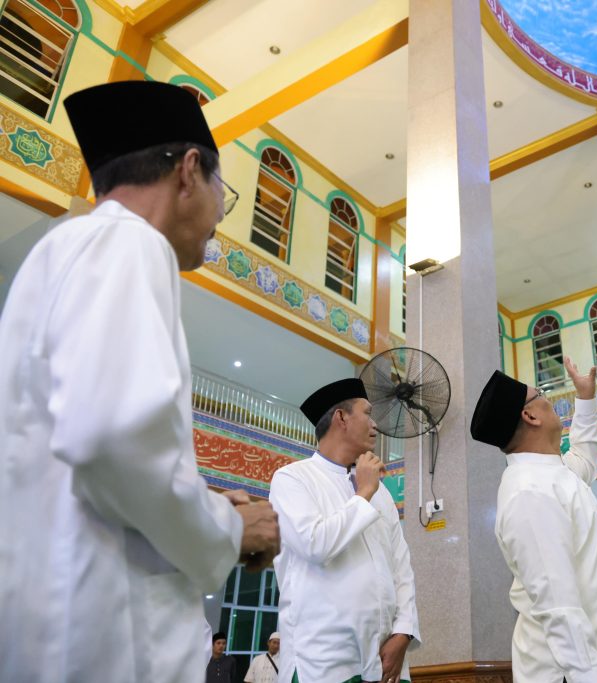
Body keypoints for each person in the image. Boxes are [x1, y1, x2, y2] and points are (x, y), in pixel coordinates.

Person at [0, 80, 280, 683]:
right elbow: (110, 438)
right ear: (188, 171)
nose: (218, 218)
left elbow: (90, 453)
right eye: (223, 194)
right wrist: (228, 528)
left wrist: (203, 503)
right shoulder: (130, 242)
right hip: (106, 639)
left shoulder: (65, 248)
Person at [471, 358, 597, 683]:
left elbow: (585, 455)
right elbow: (559, 608)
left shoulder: (553, 474)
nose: (550, 400)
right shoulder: (529, 492)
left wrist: (585, 398)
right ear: (530, 416)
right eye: (541, 394)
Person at [270, 378, 419, 683]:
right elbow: (315, 544)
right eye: (368, 413)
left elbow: (401, 568)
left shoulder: (381, 493)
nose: (375, 425)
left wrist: (403, 633)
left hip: (386, 661)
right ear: (341, 417)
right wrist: (363, 493)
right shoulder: (293, 479)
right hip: (323, 661)